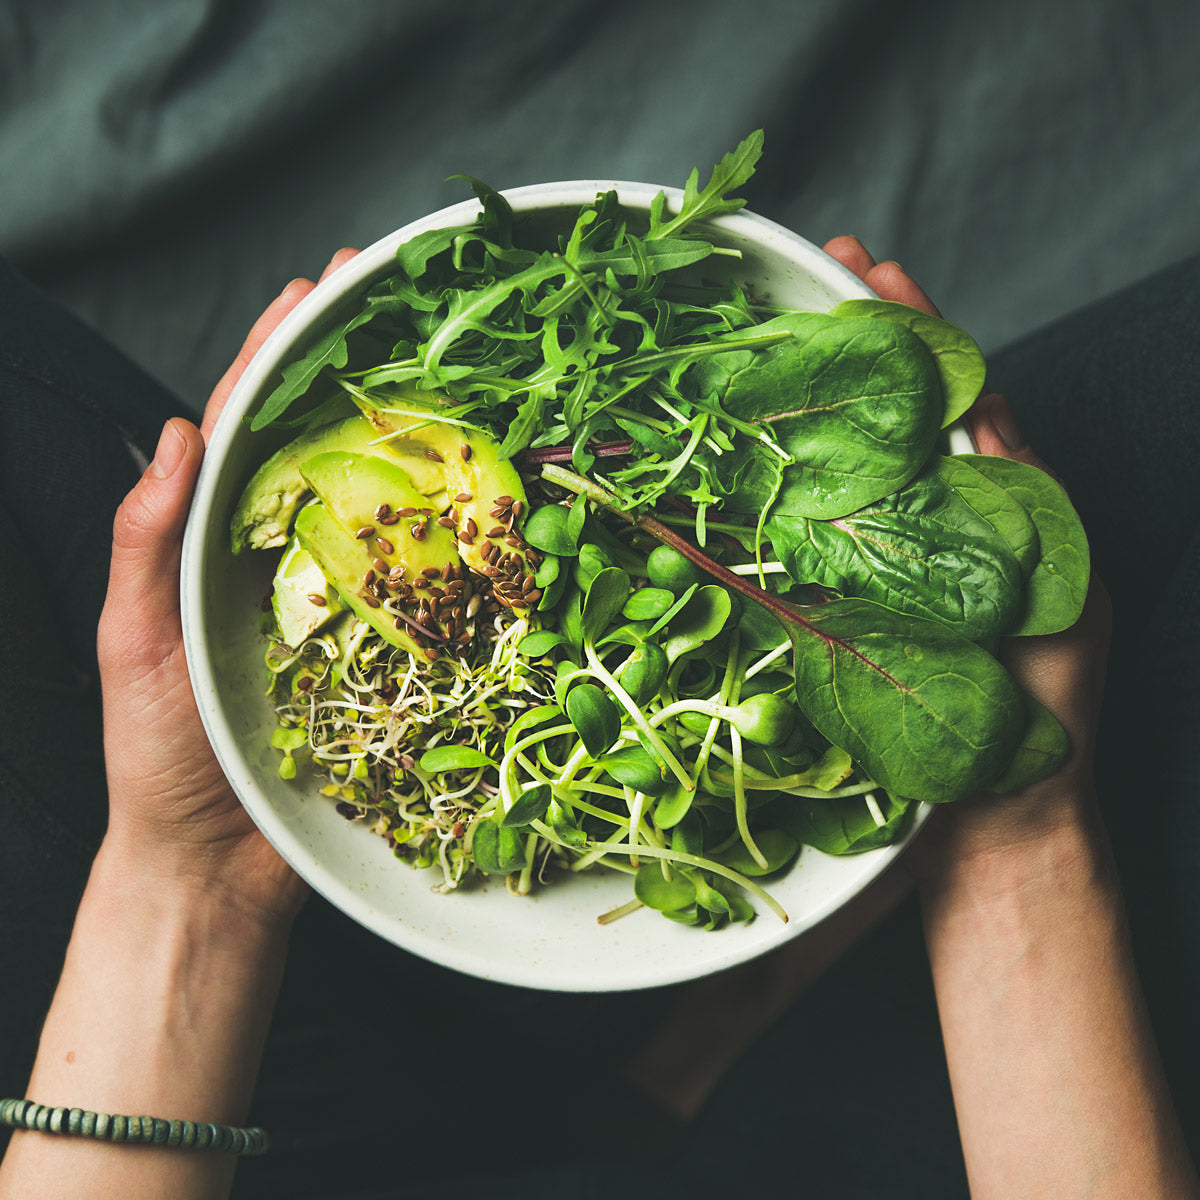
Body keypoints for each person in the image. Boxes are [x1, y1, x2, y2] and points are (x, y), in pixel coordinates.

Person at [0, 237, 1196, 1200]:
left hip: (260, 1082)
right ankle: (689, 1063)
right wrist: (1015, 859)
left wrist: (189, 876)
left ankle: (664, 1069)